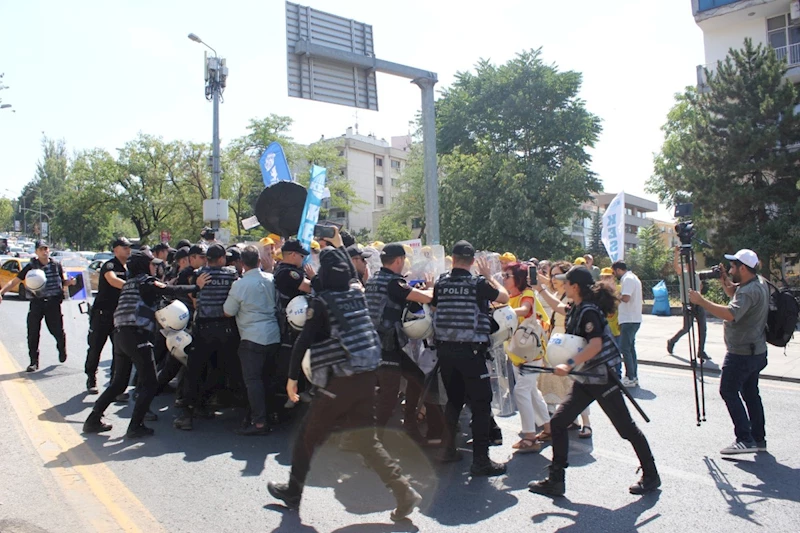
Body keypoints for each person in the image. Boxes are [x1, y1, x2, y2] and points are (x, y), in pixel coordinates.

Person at [267, 234, 422, 521]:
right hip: (367, 376)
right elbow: (351, 274)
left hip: (340, 380)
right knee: (367, 441)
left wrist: (291, 379)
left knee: (306, 436)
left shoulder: (322, 302)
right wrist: (338, 243)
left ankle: (293, 491)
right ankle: (404, 492)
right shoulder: (356, 294)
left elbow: (303, 341)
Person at [528, 266, 660, 496]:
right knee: (558, 422)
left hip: (602, 378)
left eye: (566, 283)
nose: (563, 285)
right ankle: (556, 480)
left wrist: (568, 364)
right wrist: (540, 289)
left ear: (575, 287)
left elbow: (595, 345)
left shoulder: (589, 311)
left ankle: (651, 475)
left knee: (626, 428)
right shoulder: (577, 307)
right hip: (586, 378)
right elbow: (559, 307)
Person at [82, 250, 209, 438]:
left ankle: (93, 419)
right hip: (136, 334)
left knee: (118, 383)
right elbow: (170, 290)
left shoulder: (129, 284)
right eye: (152, 264)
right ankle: (135, 426)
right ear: (144, 266)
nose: (155, 267)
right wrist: (196, 287)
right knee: (150, 382)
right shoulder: (146, 282)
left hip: (120, 334)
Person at [431, 240, 510, 476]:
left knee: (454, 401)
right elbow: (504, 298)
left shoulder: (441, 283)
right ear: (473, 262)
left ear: (453, 259)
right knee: (481, 404)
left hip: (445, 351)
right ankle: (481, 461)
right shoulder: (478, 284)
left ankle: (447, 450)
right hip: (471, 353)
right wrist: (489, 276)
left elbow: (434, 309)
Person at [688, 249, 769, 455]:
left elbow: (731, 314)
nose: (731, 270)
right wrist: (724, 279)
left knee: (728, 391)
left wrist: (701, 301)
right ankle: (758, 438)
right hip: (756, 351)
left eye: (733, 267)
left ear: (743, 268)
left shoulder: (748, 291)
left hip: (741, 354)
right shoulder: (758, 283)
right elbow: (735, 294)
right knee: (751, 394)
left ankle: (744, 439)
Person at [364, 242, 433, 442]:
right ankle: (373, 441)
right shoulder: (394, 283)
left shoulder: (374, 279)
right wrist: (430, 288)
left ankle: (409, 423)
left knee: (417, 377)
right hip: (386, 345)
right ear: (399, 260)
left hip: (375, 342)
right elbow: (426, 298)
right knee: (389, 396)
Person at [174, 244, 237, 430]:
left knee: (195, 371)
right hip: (224, 328)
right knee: (218, 370)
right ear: (222, 258)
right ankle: (203, 403)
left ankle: (187, 414)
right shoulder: (231, 275)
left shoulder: (199, 274)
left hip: (203, 328)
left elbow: (194, 296)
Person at [224, 245, 281, 436]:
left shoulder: (239, 285)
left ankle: (259, 422)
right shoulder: (271, 279)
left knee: (253, 381)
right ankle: (272, 415)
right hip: (273, 334)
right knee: (268, 379)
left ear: (241, 263)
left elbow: (228, 311)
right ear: (259, 261)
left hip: (251, 337)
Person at [536, 261, 593, 439]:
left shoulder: (577, 301)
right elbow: (556, 307)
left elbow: (596, 342)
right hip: (557, 342)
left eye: (558, 275)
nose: (554, 279)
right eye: (552, 275)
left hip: (571, 344)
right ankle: (571, 420)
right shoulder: (559, 295)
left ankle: (586, 423)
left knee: (575, 383)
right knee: (562, 384)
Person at [0, 240, 77, 372]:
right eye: (41, 249)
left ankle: (61, 348)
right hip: (37, 302)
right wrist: (2, 292)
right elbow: (15, 281)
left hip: (53, 303)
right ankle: (33, 362)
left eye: (46, 248)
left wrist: (70, 282)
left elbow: (62, 281)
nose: (44, 251)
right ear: (36, 252)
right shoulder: (31, 266)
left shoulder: (56, 265)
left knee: (57, 331)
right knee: (33, 332)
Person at [502, 262, 549, 453]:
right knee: (531, 392)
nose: (504, 279)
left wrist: (503, 312)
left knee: (521, 392)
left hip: (531, 353)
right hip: (517, 353)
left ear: (519, 279)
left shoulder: (527, 293)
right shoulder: (507, 297)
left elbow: (525, 309)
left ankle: (530, 437)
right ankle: (549, 428)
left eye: (507, 276)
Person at [84, 237, 132, 394]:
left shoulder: (129, 267)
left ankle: (115, 385)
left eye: (129, 247)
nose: (128, 250)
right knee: (95, 347)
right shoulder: (109, 265)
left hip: (119, 316)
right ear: (115, 250)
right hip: (102, 314)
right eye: (124, 247)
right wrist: (132, 286)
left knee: (120, 351)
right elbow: (112, 280)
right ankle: (91, 377)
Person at [274, 238, 315, 407]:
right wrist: (314, 277)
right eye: (301, 256)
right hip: (293, 324)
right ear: (292, 255)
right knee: (294, 359)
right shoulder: (288, 273)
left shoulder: (282, 270)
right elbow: (310, 287)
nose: (303, 259)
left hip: (292, 323)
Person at [668, 247, 708, 360]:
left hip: (699, 304)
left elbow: (700, 287)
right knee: (686, 328)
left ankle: (701, 351)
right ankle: (672, 341)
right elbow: (676, 266)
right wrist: (676, 254)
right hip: (688, 304)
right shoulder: (683, 274)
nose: (691, 266)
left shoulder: (697, 275)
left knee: (703, 328)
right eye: (689, 264)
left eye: (693, 264)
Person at [613, 261, 643, 387]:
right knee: (630, 348)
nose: (614, 275)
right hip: (632, 318)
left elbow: (626, 298)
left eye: (614, 272)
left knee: (624, 348)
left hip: (629, 319)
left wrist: (615, 295)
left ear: (618, 270)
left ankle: (630, 377)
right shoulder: (632, 278)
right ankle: (633, 376)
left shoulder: (628, 279)